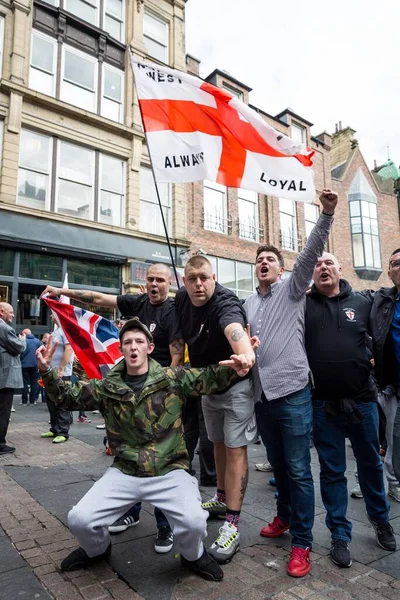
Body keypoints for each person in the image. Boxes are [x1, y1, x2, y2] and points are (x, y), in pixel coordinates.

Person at [36, 318, 250, 581]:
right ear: (122, 350)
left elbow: (209, 377)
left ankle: (192, 556)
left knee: (194, 521)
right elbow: (68, 397)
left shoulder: (172, 379)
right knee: (80, 519)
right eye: (127, 343)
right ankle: (97, 550)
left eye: (139, 341)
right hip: (125, 472)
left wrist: (239, 366)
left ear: (149, 347)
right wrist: (47, 371)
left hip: (170, 470)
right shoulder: (107, 387)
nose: (133, 347)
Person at [41, 263, 185, 553]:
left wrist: (165, 391)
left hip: (157, 392)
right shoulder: (139, 302)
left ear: (170, 283)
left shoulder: (174, 310)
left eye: (161, 280)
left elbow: (176, 355)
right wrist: (60, 291)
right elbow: (99, 299)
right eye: (151, 280)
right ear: (145, 284)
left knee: (160, 458)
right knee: (128, 452)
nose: (155, 284)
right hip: (129, 386)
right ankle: (130, 511)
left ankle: (165, 524)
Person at [244, 189, 337, 578]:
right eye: (259, 260)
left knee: (299, 469)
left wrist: (327, 214)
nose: (264, 263)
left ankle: (302, 542)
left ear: (281, 270)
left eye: (270, 259)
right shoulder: (247, 303)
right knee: (278, 466)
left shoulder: (294, 287)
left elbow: (312, 249)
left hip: (294, 392)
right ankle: (283, 517)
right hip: (261, 397)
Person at [305, 252, 396, 568]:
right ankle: (339, 535)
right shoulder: (304, 305)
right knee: (332, 471)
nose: (323, 267)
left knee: (370, 463)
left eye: (328, 262)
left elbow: (383, 331)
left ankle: (380, 519)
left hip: (363, 402)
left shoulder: (362, 301)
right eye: (317, 265)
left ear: (340, 270)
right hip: (323, 405)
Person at [175, 255, 256, 564]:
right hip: (208, 387)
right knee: (217, 444)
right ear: (184, 281)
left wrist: (246, 354)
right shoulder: (182, 299)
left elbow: (235, 328)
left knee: (235, 449)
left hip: (236, 384)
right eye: (192, 278)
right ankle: (221, 499)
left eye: (204, 277)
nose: (199, 283)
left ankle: (232, 524)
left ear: (213, 277)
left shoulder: (225, 301)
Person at [366, 248, 400, 492]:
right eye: (394, 264)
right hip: (391, 383)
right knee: (390, 437)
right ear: (388, 272)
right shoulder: (382, 299)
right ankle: (392, 482)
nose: (398, 267)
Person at [40, 317, 74, 444]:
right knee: (51, 402)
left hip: (61, 374)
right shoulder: (56, 332)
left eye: (53, 313)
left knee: (62, 402)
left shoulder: (65, 331)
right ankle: (54, 429)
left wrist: (61, 369)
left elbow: (69, 349)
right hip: (51, 373)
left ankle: (63, 432)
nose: (50, 316)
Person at [0, 302, 26, 455]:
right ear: (1, 311)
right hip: (4, 378)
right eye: (11, 312)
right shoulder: (4, 327)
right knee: (3, 412)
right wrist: (22, 339)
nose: (13, 315)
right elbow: (19, 348)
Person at [20, 329, 41, 405]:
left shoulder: (23, 341)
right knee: (34, 382)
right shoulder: (37, 341)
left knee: (24, 382)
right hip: (34, 364)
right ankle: (33, 400)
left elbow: (20, 352)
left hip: (24, 364)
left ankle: (24, 400)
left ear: (24, 333)